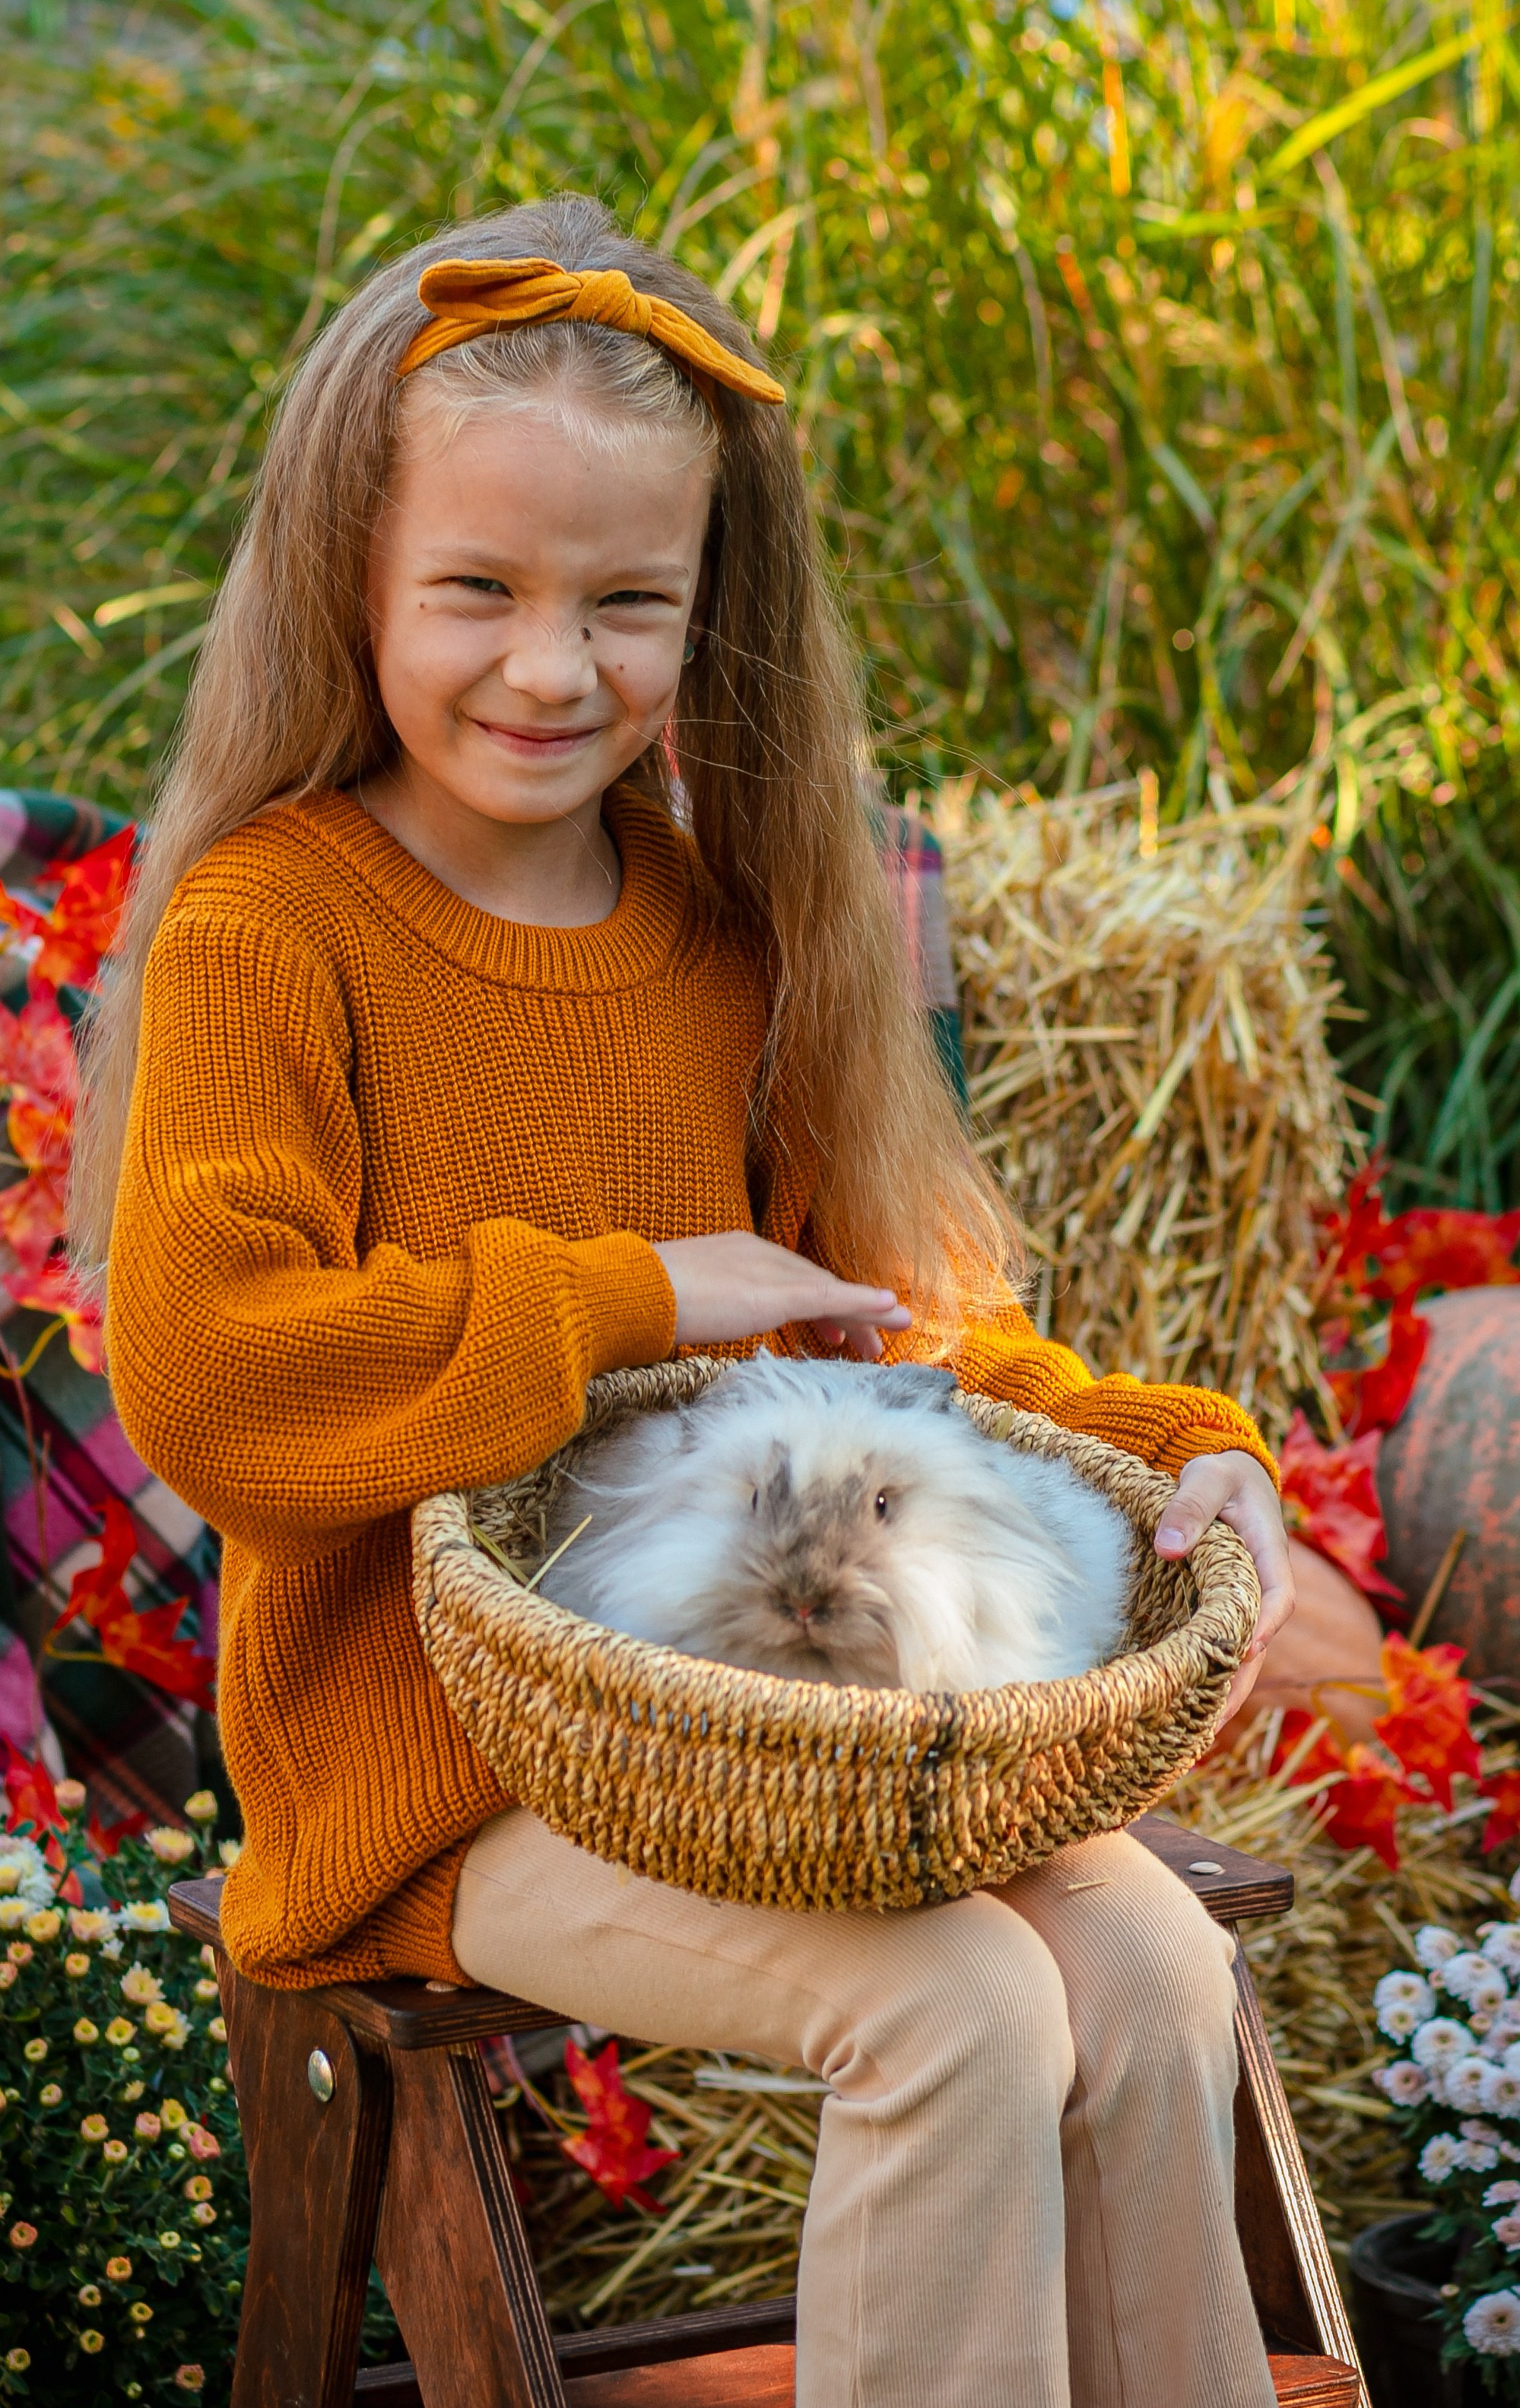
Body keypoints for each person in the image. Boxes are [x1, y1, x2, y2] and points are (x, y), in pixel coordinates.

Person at [79, 197, 1294, 2408]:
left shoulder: (731, 931)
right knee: (955, 2010)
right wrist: (635, 1293)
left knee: (1149, 1976)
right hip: (431, 1773)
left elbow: (891, 1338)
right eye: (478, 590)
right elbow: (214, 1375)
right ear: (352, 577)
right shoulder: (277, 927)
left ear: (712, 612)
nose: (551, 670)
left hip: (757, 1711)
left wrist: (1179, 1447)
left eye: (626, 602)